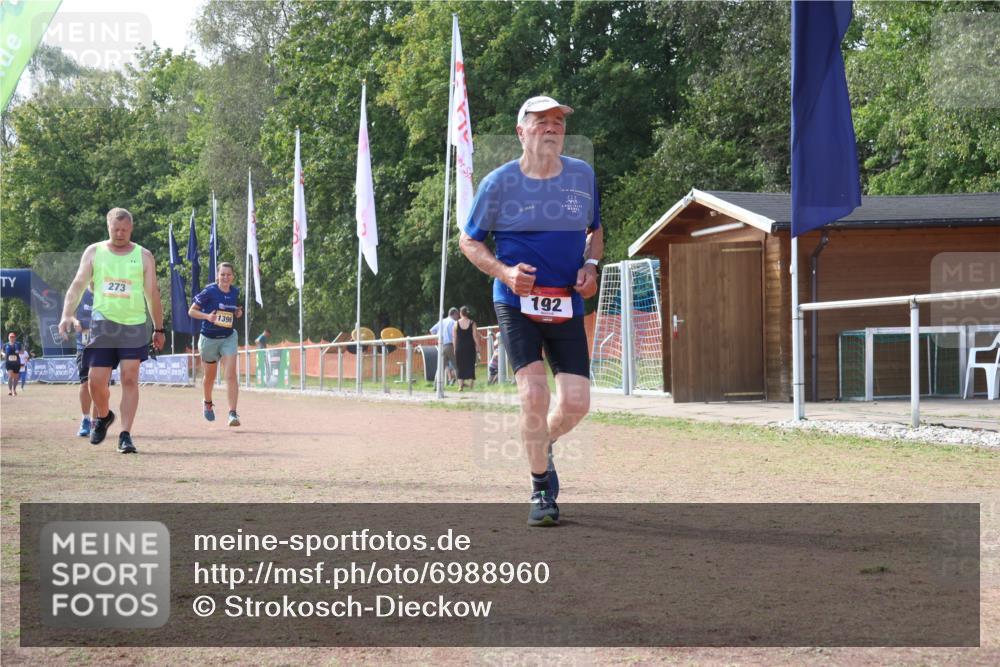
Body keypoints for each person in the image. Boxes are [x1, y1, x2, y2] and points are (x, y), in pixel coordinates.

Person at [459, 95, 603, 526]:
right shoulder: (499, 183)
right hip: (516, 302)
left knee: (576, 403)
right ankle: (541, 487)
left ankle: (543, 442)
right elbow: (469, 241)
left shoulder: (582, 175)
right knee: (534, 395)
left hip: (566, 301)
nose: (552, 127)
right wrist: (503, 272)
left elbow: (595, 230)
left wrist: (591, 265)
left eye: (559, 121)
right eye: (542, 121)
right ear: (521, 131)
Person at [58, 207, 166, 454]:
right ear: (108, 227)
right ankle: (104, 416)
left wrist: (159, 328)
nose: (120, 234)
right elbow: (77, 285)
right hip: (103, 325)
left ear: (131, 229)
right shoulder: (94, 252)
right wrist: (66, 314)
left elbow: (152, 295)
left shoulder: (144, 255)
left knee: (130, 378)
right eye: (115, 229)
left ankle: (125, 435)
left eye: (124, 230)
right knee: (95, 382)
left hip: (134, 325)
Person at [189, 262, 243, 426]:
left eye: (229, 274)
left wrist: (237, 313)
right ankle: (207, 403)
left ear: (233, 276)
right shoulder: (209, 291)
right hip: (209, 339)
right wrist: (207, 317)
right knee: (210, 376)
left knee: (231, 374)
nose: (226, 277)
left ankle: (232, 413)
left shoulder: (235, 291)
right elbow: (191, 311)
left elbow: (232, 310)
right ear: (218, 276)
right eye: (223, 274)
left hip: (228, 337)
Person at [75, 289, 95, 437]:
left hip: (103, 345)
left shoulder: (106, 289)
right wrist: (75, 321)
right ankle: (85, 419)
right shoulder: (80, 291)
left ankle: (96, 421)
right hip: (83, 346)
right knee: (84, 383)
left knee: (98, 385)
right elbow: (68, 314)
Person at [429, 307, 460, 386]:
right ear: (455, 314)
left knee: (440, 367)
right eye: (457, 315)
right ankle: (460, 384)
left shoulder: (442, 321)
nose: (458, 317)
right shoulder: (454, 322)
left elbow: (432, 330)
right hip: (450, 345)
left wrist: (437, 340)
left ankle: (435, 385)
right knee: (456, 365)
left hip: (441, 345)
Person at [452, 306, 478, 391]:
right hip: (470, 347)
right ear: (467, 313)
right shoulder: (472, 323)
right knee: (470, 365)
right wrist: (478, 346)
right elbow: (475, 336)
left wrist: (455, 348)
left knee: (460, 366)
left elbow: (454, 338)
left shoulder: (456, 324)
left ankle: (460, 386)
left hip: (460, 347)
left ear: (460, 313)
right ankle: (471, 385)